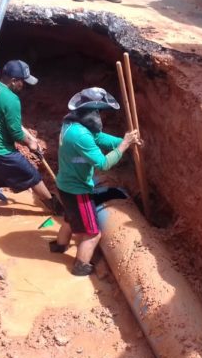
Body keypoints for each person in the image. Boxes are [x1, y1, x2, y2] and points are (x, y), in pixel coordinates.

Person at [50, 87, 141, 276]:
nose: (100, 116)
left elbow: (99, 137)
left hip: (65, 183)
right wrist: (124, 145)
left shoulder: (73, 123)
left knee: (70, 219)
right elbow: (103, 163)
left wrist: (125, 141)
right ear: (89, 112)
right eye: (97, 111)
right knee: (92, 232)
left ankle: (59, 247)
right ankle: (80, 266)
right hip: (77, 190)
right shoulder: (81, 135)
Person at [0, 59, 62, 217]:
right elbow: (15, 134)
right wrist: (31, 144)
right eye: (22, 82)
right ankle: (58, 210)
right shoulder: (12, 100)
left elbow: (4, 119)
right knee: (32, 176)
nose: (24, 85)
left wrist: (29, 137)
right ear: (13, 81)